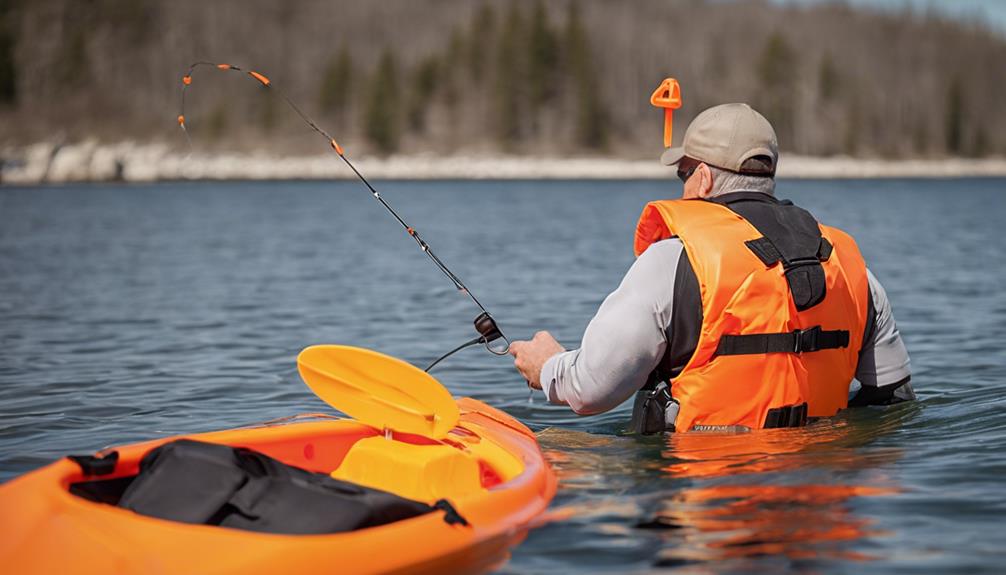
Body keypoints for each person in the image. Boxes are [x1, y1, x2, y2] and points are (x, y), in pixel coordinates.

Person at [509, 103, 914, 434]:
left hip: (704, 504)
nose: (681, 185)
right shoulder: (851, 267)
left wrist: (547, 367)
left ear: (701, 179)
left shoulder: (672, 260)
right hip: (820, 504)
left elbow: (590, 389)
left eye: (683, 173)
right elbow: (893, 397)